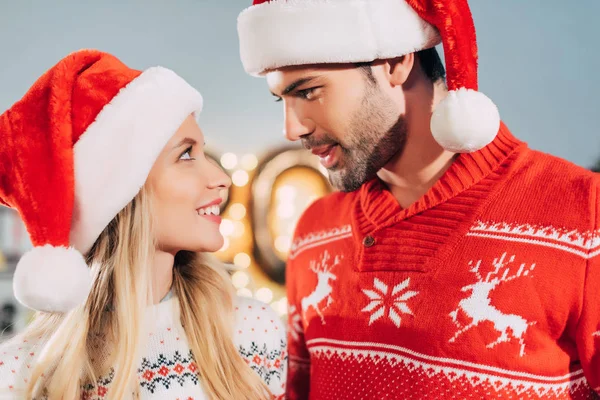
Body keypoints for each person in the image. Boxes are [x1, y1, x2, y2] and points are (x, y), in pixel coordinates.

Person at [236, 0, 600, 398]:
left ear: (395, 62)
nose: (292, 128)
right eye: (281, 100)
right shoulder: (314, 233)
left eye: (308, 91)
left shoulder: (585, 215)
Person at [0, 50, 286, 399]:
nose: (221, 178)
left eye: (204, 152)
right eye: (185, 154)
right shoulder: (21, 374)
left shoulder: (253, 333)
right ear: (123, 192)